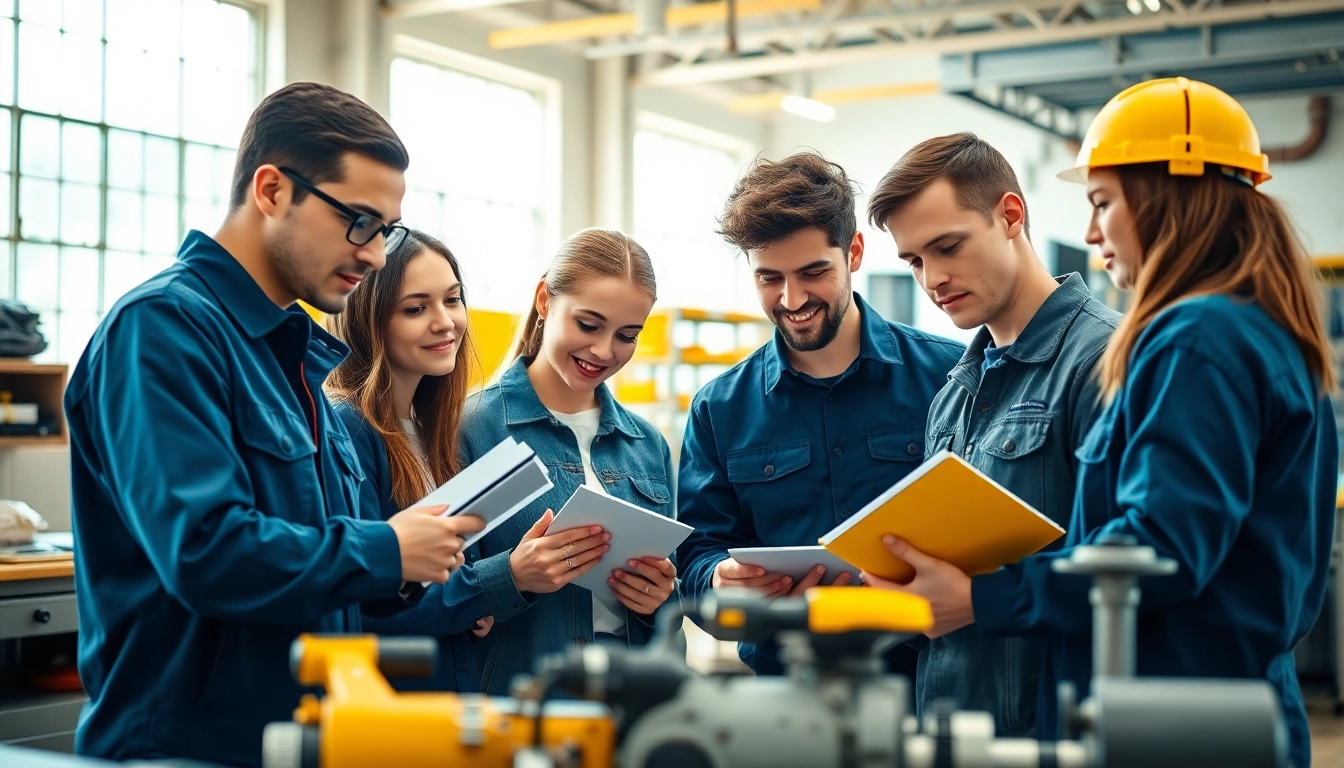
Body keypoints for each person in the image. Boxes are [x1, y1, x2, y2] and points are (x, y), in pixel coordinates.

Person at [863, 77, 1336, 768]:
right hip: (1203, 710)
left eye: (1103, 202)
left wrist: (984, 598)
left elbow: (1155, 549)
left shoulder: (1195, 335)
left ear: (1169, 193)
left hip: (1175, 719)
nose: (1090, 233)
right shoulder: (1254, 329)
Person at [64, 83, 484, 766]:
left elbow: (318, 571)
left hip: (303, 741)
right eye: (360, 222)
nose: (375, 254)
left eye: (384, 230)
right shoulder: (162, 330)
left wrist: (417, 563)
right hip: (188, 750)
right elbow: (205, 552)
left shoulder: (294, 358)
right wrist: (385, 549)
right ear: (271, 191)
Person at [864, 133, 1120, 736]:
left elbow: (1125, 574)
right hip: (952, 722)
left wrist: (979, 598)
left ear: (1010, 215)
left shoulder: (1106, 361)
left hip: (1051, 730)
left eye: (948, 246)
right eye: (915, 261)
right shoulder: (952, 392)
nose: (933, 278)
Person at [675, 151, 965, 675]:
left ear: (854, 252)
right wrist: (719, 579)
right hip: (783, 697)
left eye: (813, 272)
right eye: (769, 278)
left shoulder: (951, 377)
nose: (792, 299)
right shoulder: (719, 409)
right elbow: (696, 553)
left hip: (927, 688)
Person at [453, 228, 680, 695]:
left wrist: (658, 602)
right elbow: (438, 591)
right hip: (519, 704)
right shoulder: (472, 427)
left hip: (628, 705)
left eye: (627, 336)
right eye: (588, 325)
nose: (603, 351)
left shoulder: (647, 444)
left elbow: (665, 620)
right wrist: (512, 575)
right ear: (543, 299)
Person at [327, 229, 495, 693]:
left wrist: (469, 607)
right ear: (368, 321)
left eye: (453, 300)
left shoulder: (437, 429)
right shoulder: (348, 428)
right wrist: (495, 582)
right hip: (386, 706)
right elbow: (361, 598)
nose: (445, 322)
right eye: (416, 309)